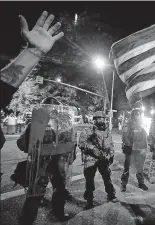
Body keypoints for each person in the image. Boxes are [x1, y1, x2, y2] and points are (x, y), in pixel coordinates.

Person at [0, 11, 64, 150]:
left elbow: (2, 90)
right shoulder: (36, 125)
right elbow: (22, 144)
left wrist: (33, 52)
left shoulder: (62, 126)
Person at [16, 97, 74, 225]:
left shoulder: (37, 124)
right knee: (58, 189)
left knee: (37, 192)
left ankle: (27, 219)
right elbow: (71, 145)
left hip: (42, 164)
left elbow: (21, 144)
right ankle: (58, 214)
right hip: (56, 163)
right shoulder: (65, 125)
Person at [78, 111, 117, 209]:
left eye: (103, 119)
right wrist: (92, 148)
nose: (102, 120)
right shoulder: (88, 130)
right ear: (94, 120)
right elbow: (81, 143)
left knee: (107, 177)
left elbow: (110, 143)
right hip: (91, 158)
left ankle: (111, 195)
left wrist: (111, 153)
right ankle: (89, 201)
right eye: (99, 118)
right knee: (89, 180)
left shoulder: (106, 130)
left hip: (103, 157)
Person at [121, 107, 148, 192]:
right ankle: (123, 184)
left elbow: (144, 136)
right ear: (133, 115)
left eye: (139, 114)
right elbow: (125, 137)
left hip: (138, 149)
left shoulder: (141, 125)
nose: (138, 116)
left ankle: (141, 183)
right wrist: (132, 145)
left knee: (139, 167)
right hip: (130, 150)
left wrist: (143, 145)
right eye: (137, 114)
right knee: (127, 168)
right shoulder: (128, 125)